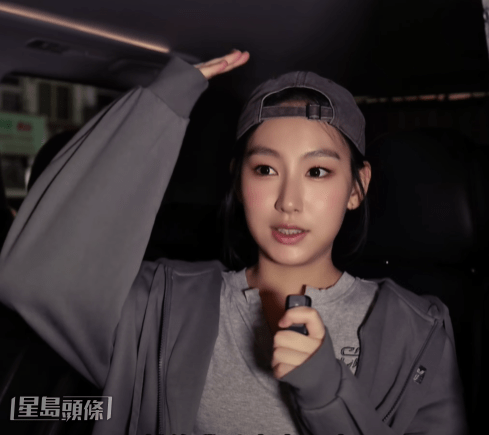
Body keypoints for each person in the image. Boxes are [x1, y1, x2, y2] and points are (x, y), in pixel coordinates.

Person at [0, 49, 467, 435]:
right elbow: (33, 277)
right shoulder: (163, 302)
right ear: (238, 182)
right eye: (265, 169)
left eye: (317, 171)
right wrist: (160, 105)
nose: (288, 201)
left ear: (356, 187)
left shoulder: (417, 330)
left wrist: (328, 394)